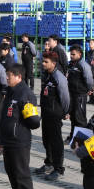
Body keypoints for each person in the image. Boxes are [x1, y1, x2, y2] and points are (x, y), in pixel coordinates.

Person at [0, 64, 40, 189]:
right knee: (11, 171)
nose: (6, 78)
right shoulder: (10, 91)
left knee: (21, 173)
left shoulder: (25, 94)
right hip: (8, 140)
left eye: (9, 75)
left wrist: (19, 126)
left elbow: (34, 122)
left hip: (19, 141)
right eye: (6, 75)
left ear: (18, 77)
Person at [36, 51, 70, 181]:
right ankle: (49, 163)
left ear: (53, 63)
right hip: (46, 113)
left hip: (55, 114)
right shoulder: (47, 75)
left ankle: (58, 168)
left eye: (46, 62)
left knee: (56, 142)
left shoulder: (58, 77)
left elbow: (65, 97)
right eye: (43, 61)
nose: (43, 64)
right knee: (46, 140)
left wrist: (65, 112)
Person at [65, 44, 94, 143]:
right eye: (71, 54)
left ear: (79, 54)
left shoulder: (83, 65)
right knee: (73, 117)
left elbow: (89, 79)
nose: (71, 56)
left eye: (73, 54)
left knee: (80, 118)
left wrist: (90, 89)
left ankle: (82, 141)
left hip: (80, 95)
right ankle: (73, 137)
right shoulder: (71, 64)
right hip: (71, 94)